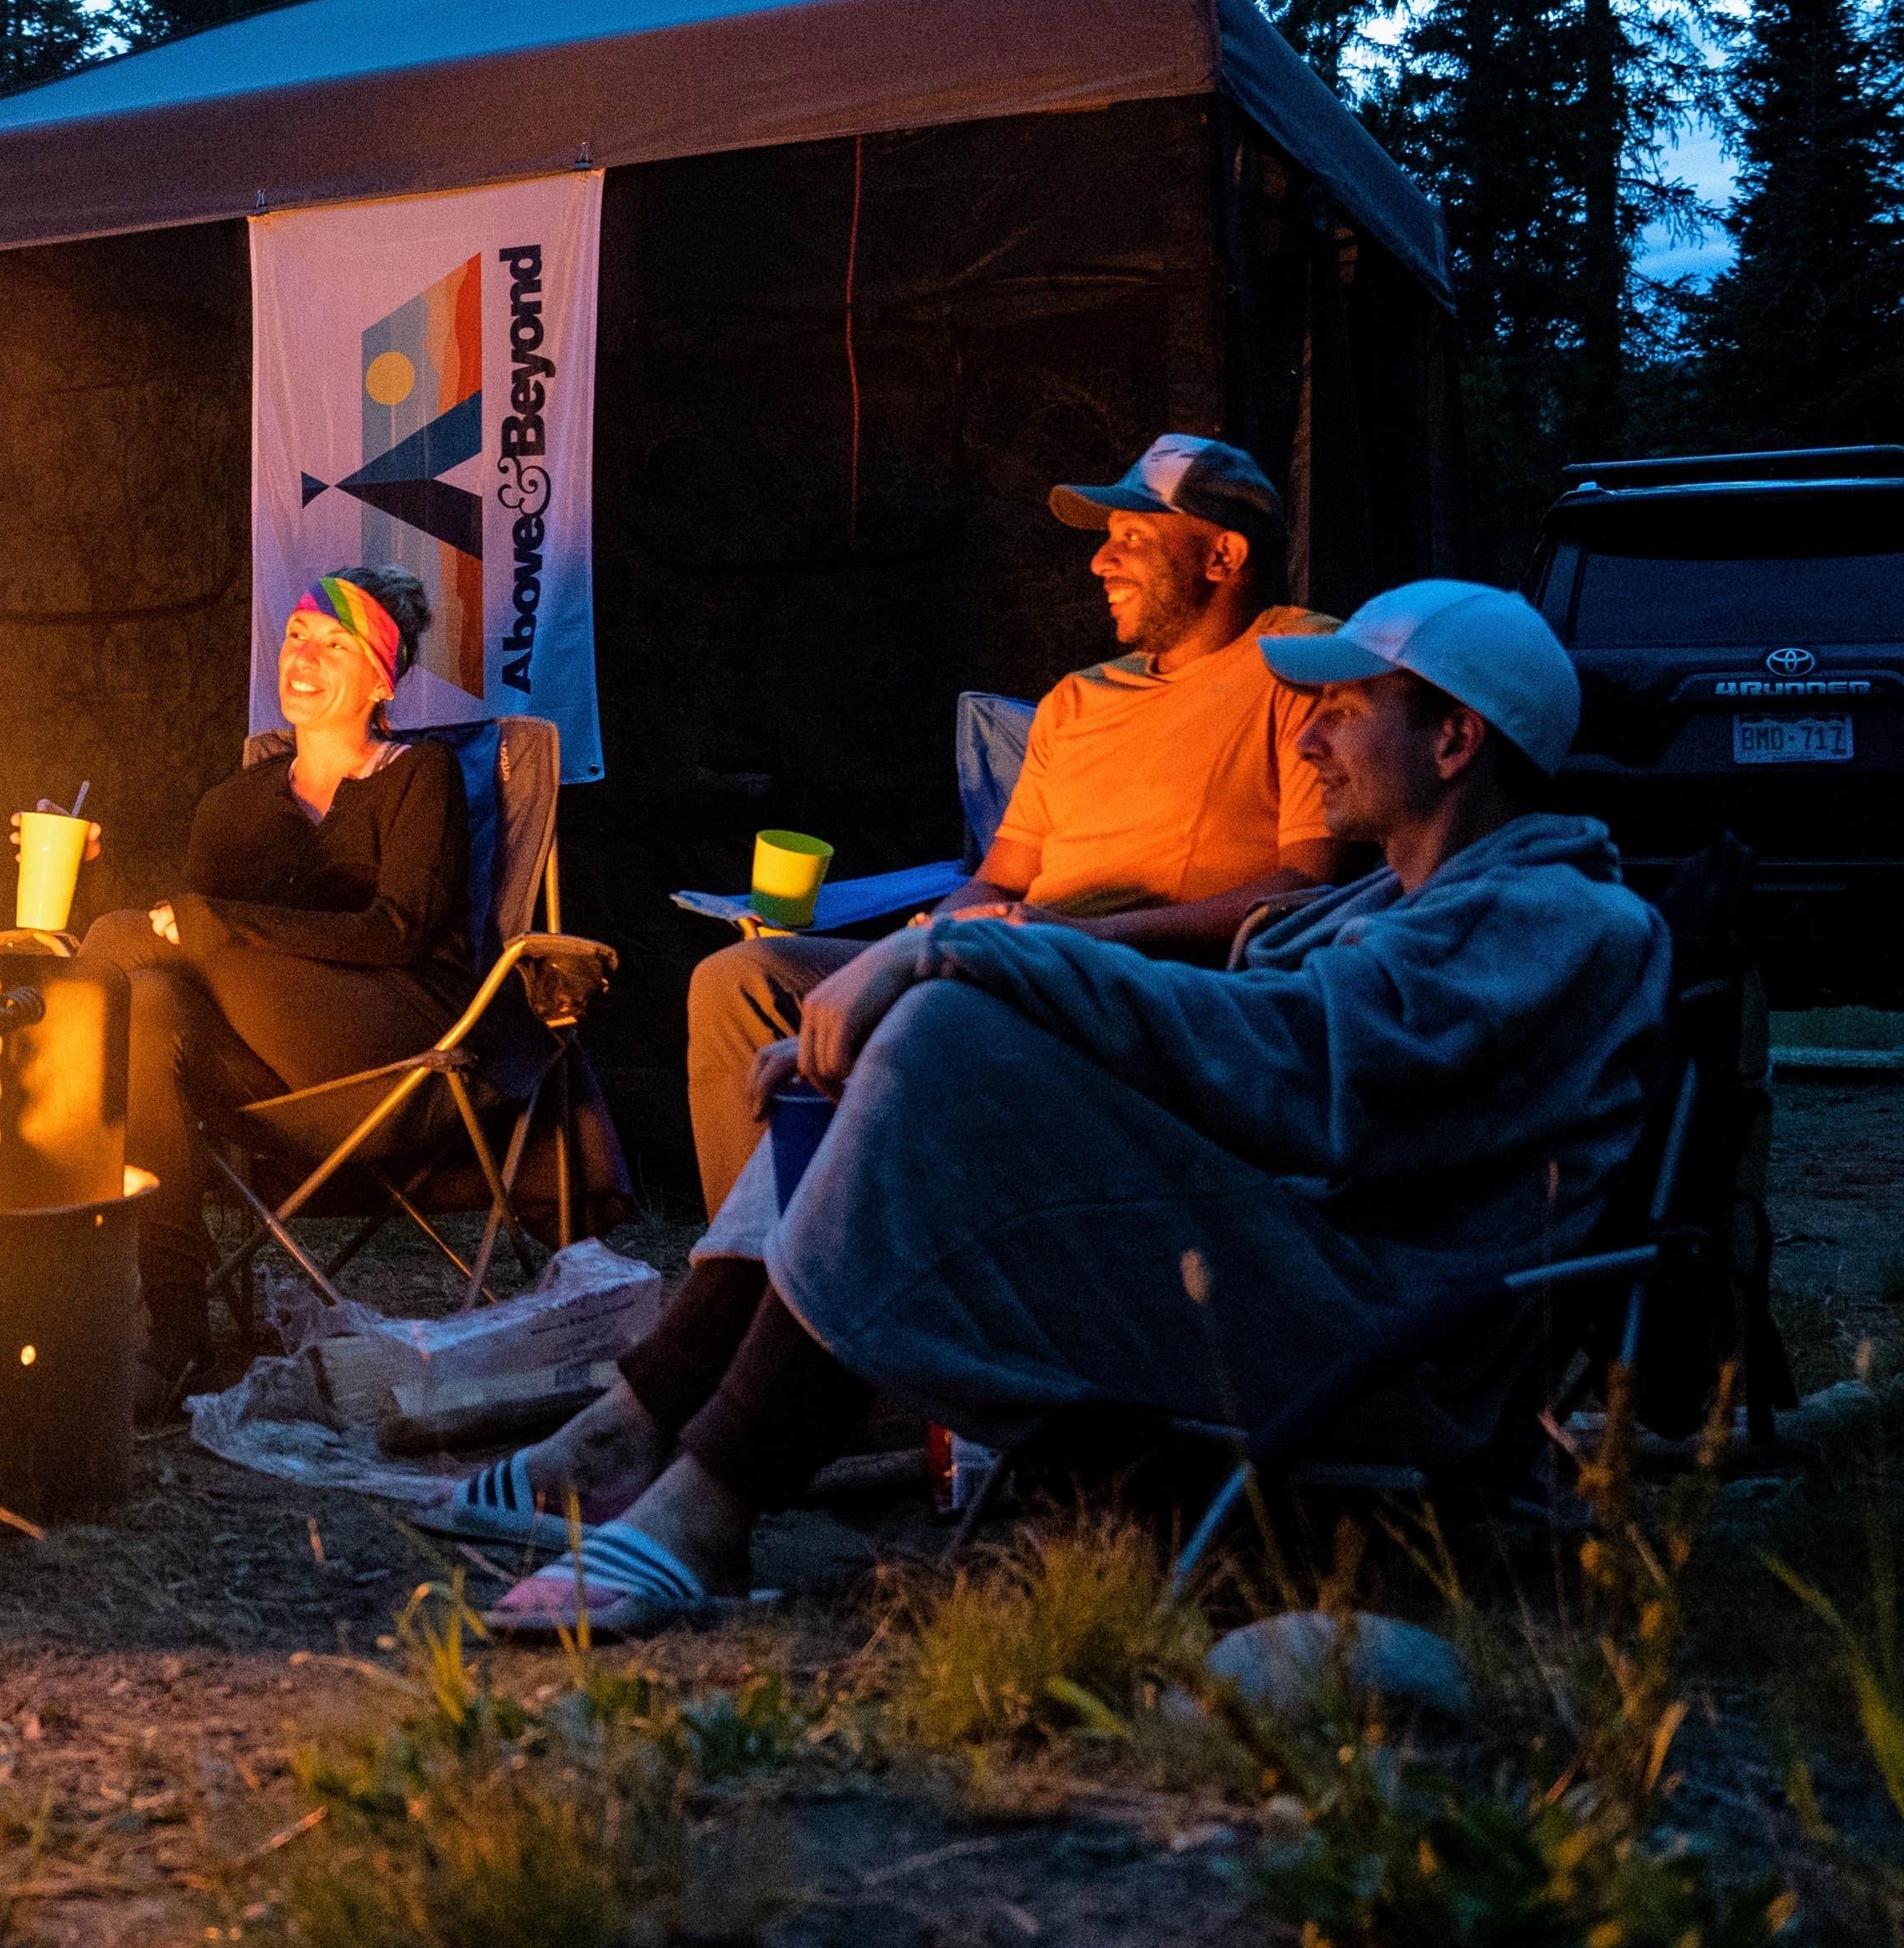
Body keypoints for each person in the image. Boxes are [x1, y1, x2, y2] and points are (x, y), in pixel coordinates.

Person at [462, 581, 1666, 1632]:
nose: (1310, 743)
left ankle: (707, 1494)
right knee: (901, 1051)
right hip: (1294, 1268)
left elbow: (1302, 1074)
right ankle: (647, 1422)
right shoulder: (1392, 908)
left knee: (944, 1030)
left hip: (1384, 1335)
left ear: (1455, 737)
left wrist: (966, 956)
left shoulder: (1557, 918)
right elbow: (1253, 1046)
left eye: (1345, 709)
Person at [675, 433, 1365, 1217]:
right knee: (740, 981)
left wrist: (1064, 940)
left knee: (941, 1012)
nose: (1100, 563)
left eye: (1132, 539)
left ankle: (816, 1281)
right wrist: (926, 939)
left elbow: (1307, 887)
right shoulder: (1077, 699)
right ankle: (763, 1267)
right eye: (1105, 542)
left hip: (1145, 985)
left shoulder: (1300, 663)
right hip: (1010, 953)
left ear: (1223, 556)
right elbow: (999, 876)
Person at [75, 569, 476, 1419]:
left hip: (392, 1053)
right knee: (145, 1003)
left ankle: (43, 1185)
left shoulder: (420, 777)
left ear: (380, 680)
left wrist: (209, 924)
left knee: (124, 942)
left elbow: (396, 932)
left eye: (337, 644)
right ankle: (178, 1339)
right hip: (260, 1076)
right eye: (298, 637)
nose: (306, 656)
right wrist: (94, 868)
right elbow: (183, 943)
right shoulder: (233, 806)